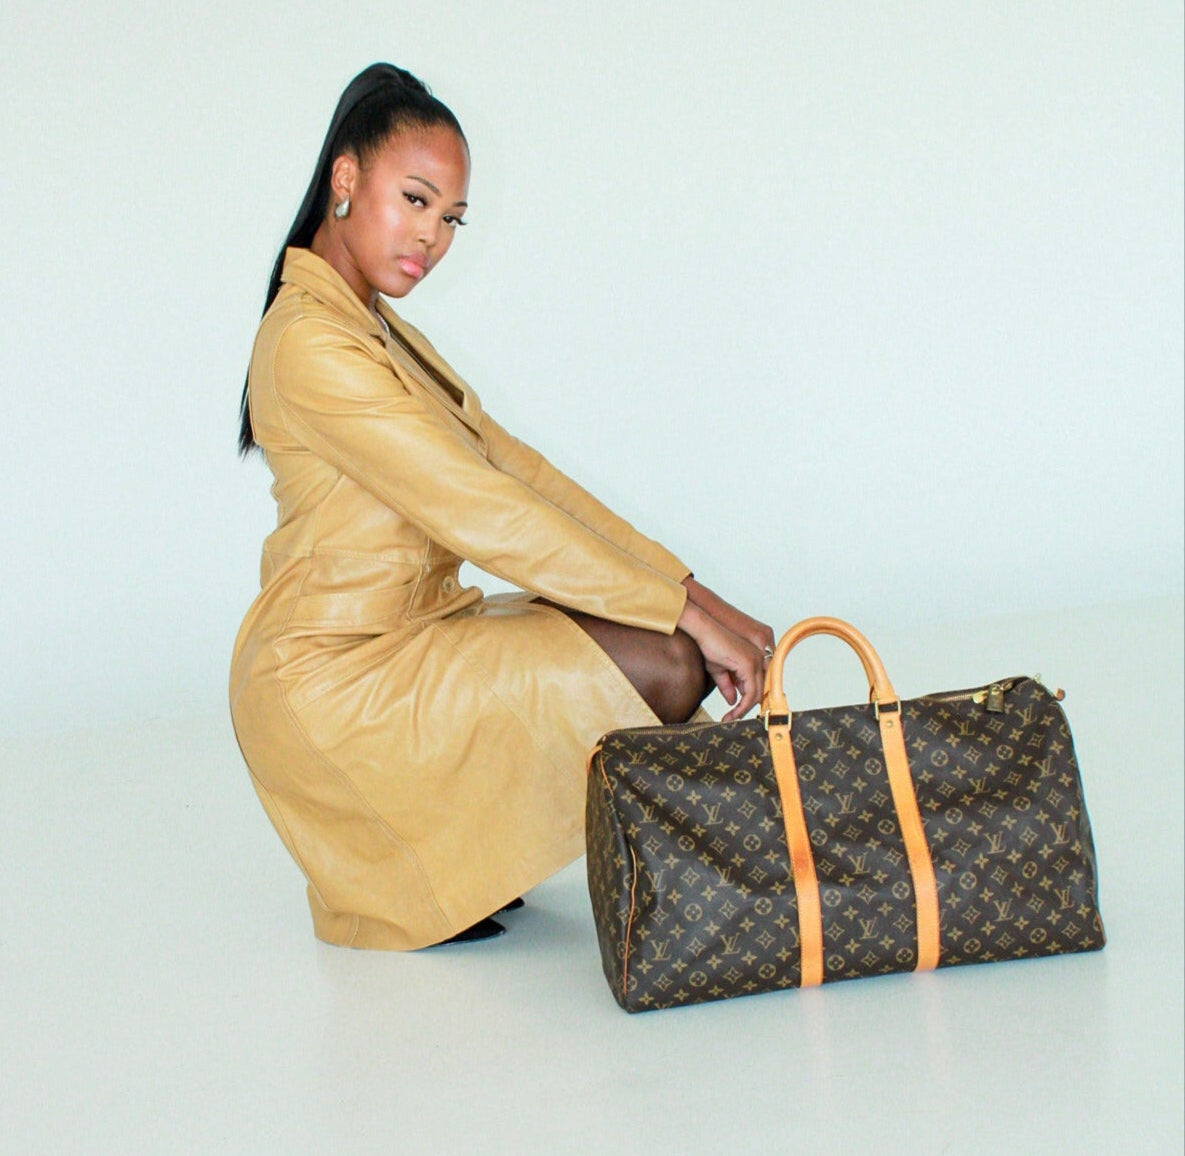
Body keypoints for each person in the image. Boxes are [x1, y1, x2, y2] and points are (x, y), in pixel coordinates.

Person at [229, 63, 774, 949]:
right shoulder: (310, 344)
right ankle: (433, 865)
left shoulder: (376, 328)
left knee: (668, 641)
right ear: (346, 178)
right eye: (415, 200)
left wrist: (698, 597)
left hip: (415, 637)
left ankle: (466, 856)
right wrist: (686, 619)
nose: (432, 236)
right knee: (671, 662)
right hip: (338, 680)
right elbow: (485, 512)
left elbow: (521, 475)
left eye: (451, 218)